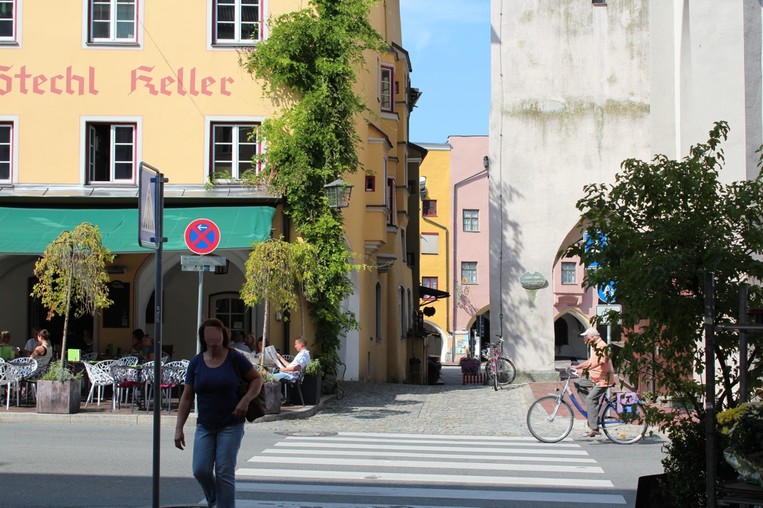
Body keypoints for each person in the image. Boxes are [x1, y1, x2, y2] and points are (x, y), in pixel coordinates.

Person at [174, 318, 263, 508]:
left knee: (224, 471)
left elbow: (257, 380)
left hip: (231, 423)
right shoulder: (196, 362)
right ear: (203, 337)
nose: (214, 337)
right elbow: (187, 397)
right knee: (200, 470)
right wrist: (178, 428)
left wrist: (245, 400)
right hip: (205, 425)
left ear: (223, 336)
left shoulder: (234, 358)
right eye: (209, 333)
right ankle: (214, 496)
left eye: (218, 332)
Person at [573, 327, 615, 437]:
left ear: (592, 337)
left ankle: (594, 428)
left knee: (590, 399)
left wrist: (584, 369)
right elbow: (591, 361)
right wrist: (579, 366)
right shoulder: (595, 346)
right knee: (578, 383)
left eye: (586, 337)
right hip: (595, 376)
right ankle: (592, 409)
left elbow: (600, 362)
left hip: (603, 379)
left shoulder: (602, 346)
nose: (585, 339)